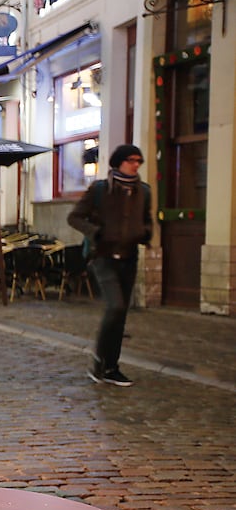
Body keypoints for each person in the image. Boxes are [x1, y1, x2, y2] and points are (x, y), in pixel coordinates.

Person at [67, 144, 153, 387]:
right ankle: (98, 361)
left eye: (139, 161)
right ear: (118, 163)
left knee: (121, 313)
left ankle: (112, 367)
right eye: (131, 160)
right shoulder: (100, 190)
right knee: (115, 306)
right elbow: (74, 217)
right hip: (102, 257)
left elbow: (147, 218)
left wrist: (145, 233)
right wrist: (96, 232)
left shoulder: (143, 192)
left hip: (129, 257)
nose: (136, 164)